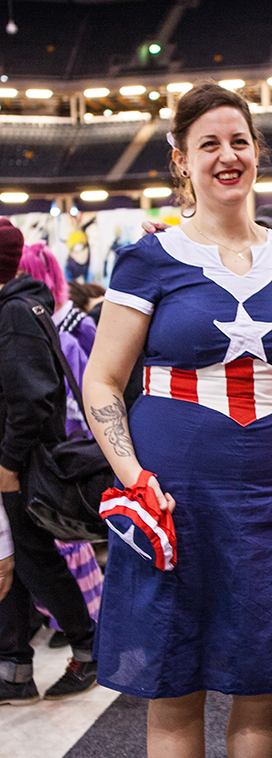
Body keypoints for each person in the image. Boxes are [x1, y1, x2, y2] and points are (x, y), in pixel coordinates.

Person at [83, 81, 272, 758]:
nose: (228, 155)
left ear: (257, 151)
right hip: (172, 500)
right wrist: (132, 478)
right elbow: (102, 379)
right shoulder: (150, 257)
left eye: (241, 139)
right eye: (209, 143)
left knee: (264, 672)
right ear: (181, 160)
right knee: (174, 678)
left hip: (267, 498)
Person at [0, 219, 97, 705]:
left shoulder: (14, 312)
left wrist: (8, 463)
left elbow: (31, 398)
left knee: (34, 561)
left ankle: (87, 647)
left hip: (18, 464)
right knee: (16, 564)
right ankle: (15, 667)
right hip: (19, 459)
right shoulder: (23, 306)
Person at [18, 242, 103, 650]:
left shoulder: (35, 319)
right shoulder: (50, 318)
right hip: (64, 440)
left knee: (51, 542)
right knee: (53, 541)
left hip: (55, 446)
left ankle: (81, 633)